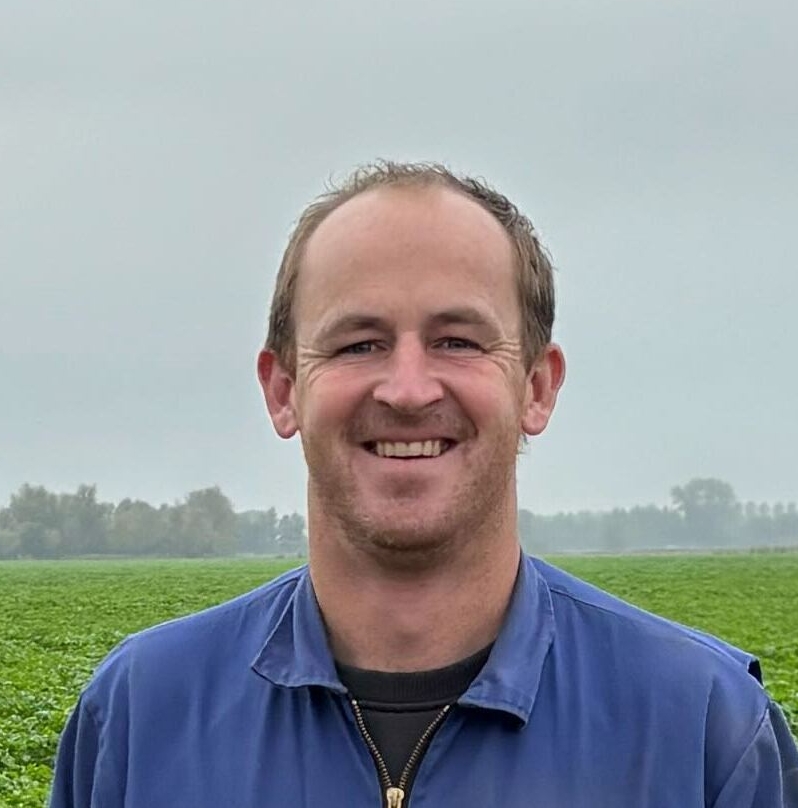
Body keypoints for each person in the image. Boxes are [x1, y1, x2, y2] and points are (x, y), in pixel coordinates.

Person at [49, 162, 798, 808]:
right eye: (359, 344)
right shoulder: (139, 718)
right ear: (283, 391)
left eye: (457, 341)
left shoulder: (704, 729)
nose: (407, 390)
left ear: (536, 387)